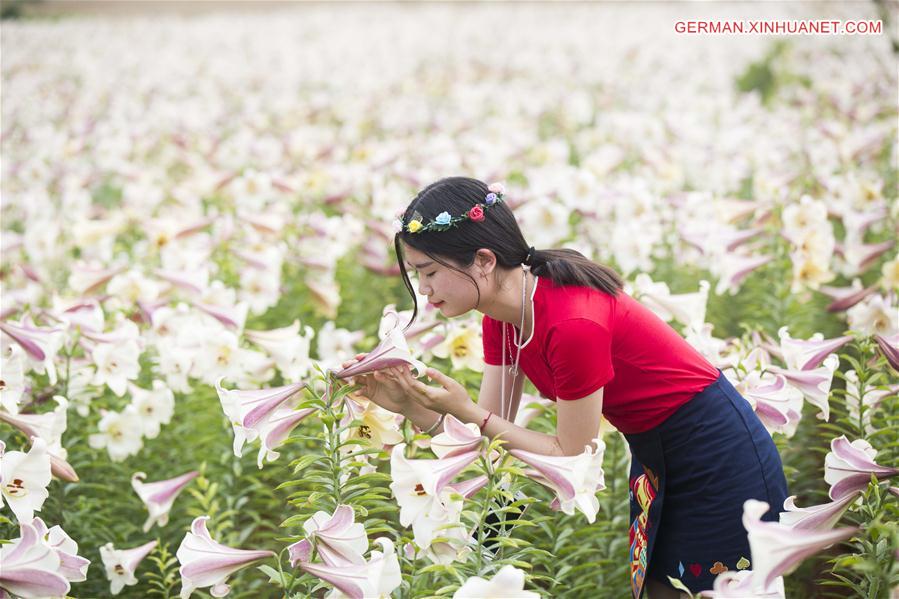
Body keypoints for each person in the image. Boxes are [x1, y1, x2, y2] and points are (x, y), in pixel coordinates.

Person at [342, 176, 788, 598]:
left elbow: (570, 450)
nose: (423, 289)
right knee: (659, 589)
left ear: (483, 260)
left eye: (428, 272)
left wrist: (467, 411)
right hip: (656, 453)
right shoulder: (502, 315)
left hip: (719, 456)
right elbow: (486, 442)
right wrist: (408, 405)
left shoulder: (573, 322)